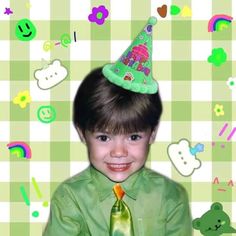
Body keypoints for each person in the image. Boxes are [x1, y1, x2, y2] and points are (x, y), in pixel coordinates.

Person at [43, 17, 192, 236]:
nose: (119, 152)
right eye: (104, 137)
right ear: (82, 133)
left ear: (152, 133)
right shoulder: (69, 198)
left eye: (133, 137)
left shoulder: (171, 197)